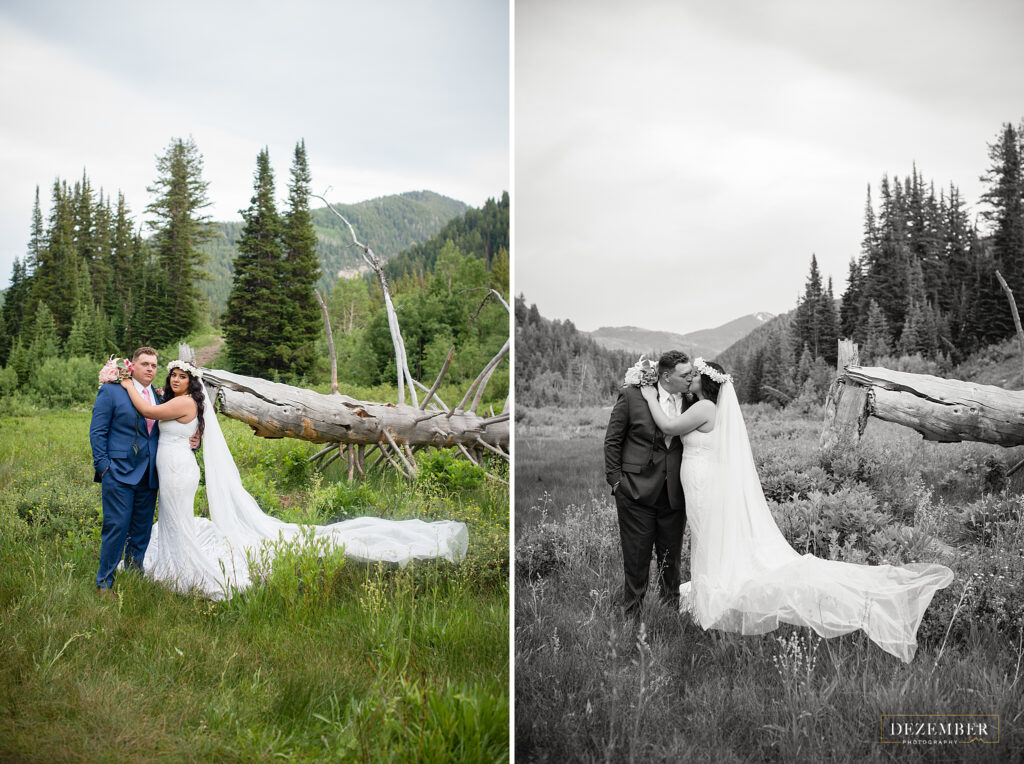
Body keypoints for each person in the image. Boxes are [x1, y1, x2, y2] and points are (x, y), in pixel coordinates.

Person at [639, 357, 953, 662]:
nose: (689, 378)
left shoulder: (706, 407)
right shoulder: (702, 407)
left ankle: (715, 593)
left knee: (708, 537)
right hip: (699, 483)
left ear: (705, 382)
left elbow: (667, 425)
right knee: (707, 537)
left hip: (703, 483)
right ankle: (711, 586)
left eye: (694, 375)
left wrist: (649, 394)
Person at [118, 359, 469, 600]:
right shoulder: (175, 401)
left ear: (191, 382)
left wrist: (123, 381)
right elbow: (156, 417)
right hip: (172, 464)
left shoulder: (184, 404)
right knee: (173, 519)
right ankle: (173, 558)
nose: (175, 379)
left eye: (182, 376)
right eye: (173, 375)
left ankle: (186, 565)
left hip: (178, 471)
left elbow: (148, 411)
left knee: (177, 517)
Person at [604, 350, 692, 617]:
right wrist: (617, 482)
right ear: (666, 376)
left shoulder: (691, 401)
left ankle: (670, 615)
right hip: (634, 492)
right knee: (636, 558)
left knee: (671, 560)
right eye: (684, 375)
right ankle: (632, 617)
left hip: (675, 494)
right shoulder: (632, 396)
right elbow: (613, 440)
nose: (691, 379)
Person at [90, 347, 162, 598]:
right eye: (145, 364)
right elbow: (98, 431)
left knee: (141, 530)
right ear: (133, 365)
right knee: (116, 527)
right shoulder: (111, 391)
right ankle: (104, 583)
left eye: (154, 365)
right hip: (118, 472)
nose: (150, 369)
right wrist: (104, 467)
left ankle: (134, 576)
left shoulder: (159, 396)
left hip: (149, 474)